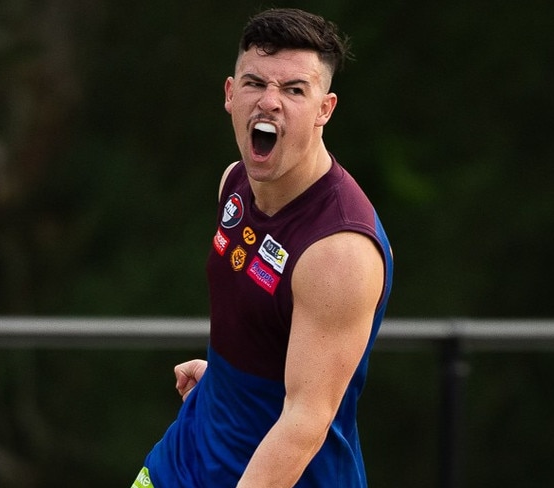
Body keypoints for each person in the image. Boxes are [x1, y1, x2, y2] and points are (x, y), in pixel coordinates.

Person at [131, 8, 393, 488]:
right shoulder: (234, 183)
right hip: (186, 456)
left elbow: (305, 421)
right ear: (231, 95)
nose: (269, 102)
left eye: (294, 90)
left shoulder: (339, 250)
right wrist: (226, 384)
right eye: (255, 83)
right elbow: (265, 334)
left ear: (324, 110)